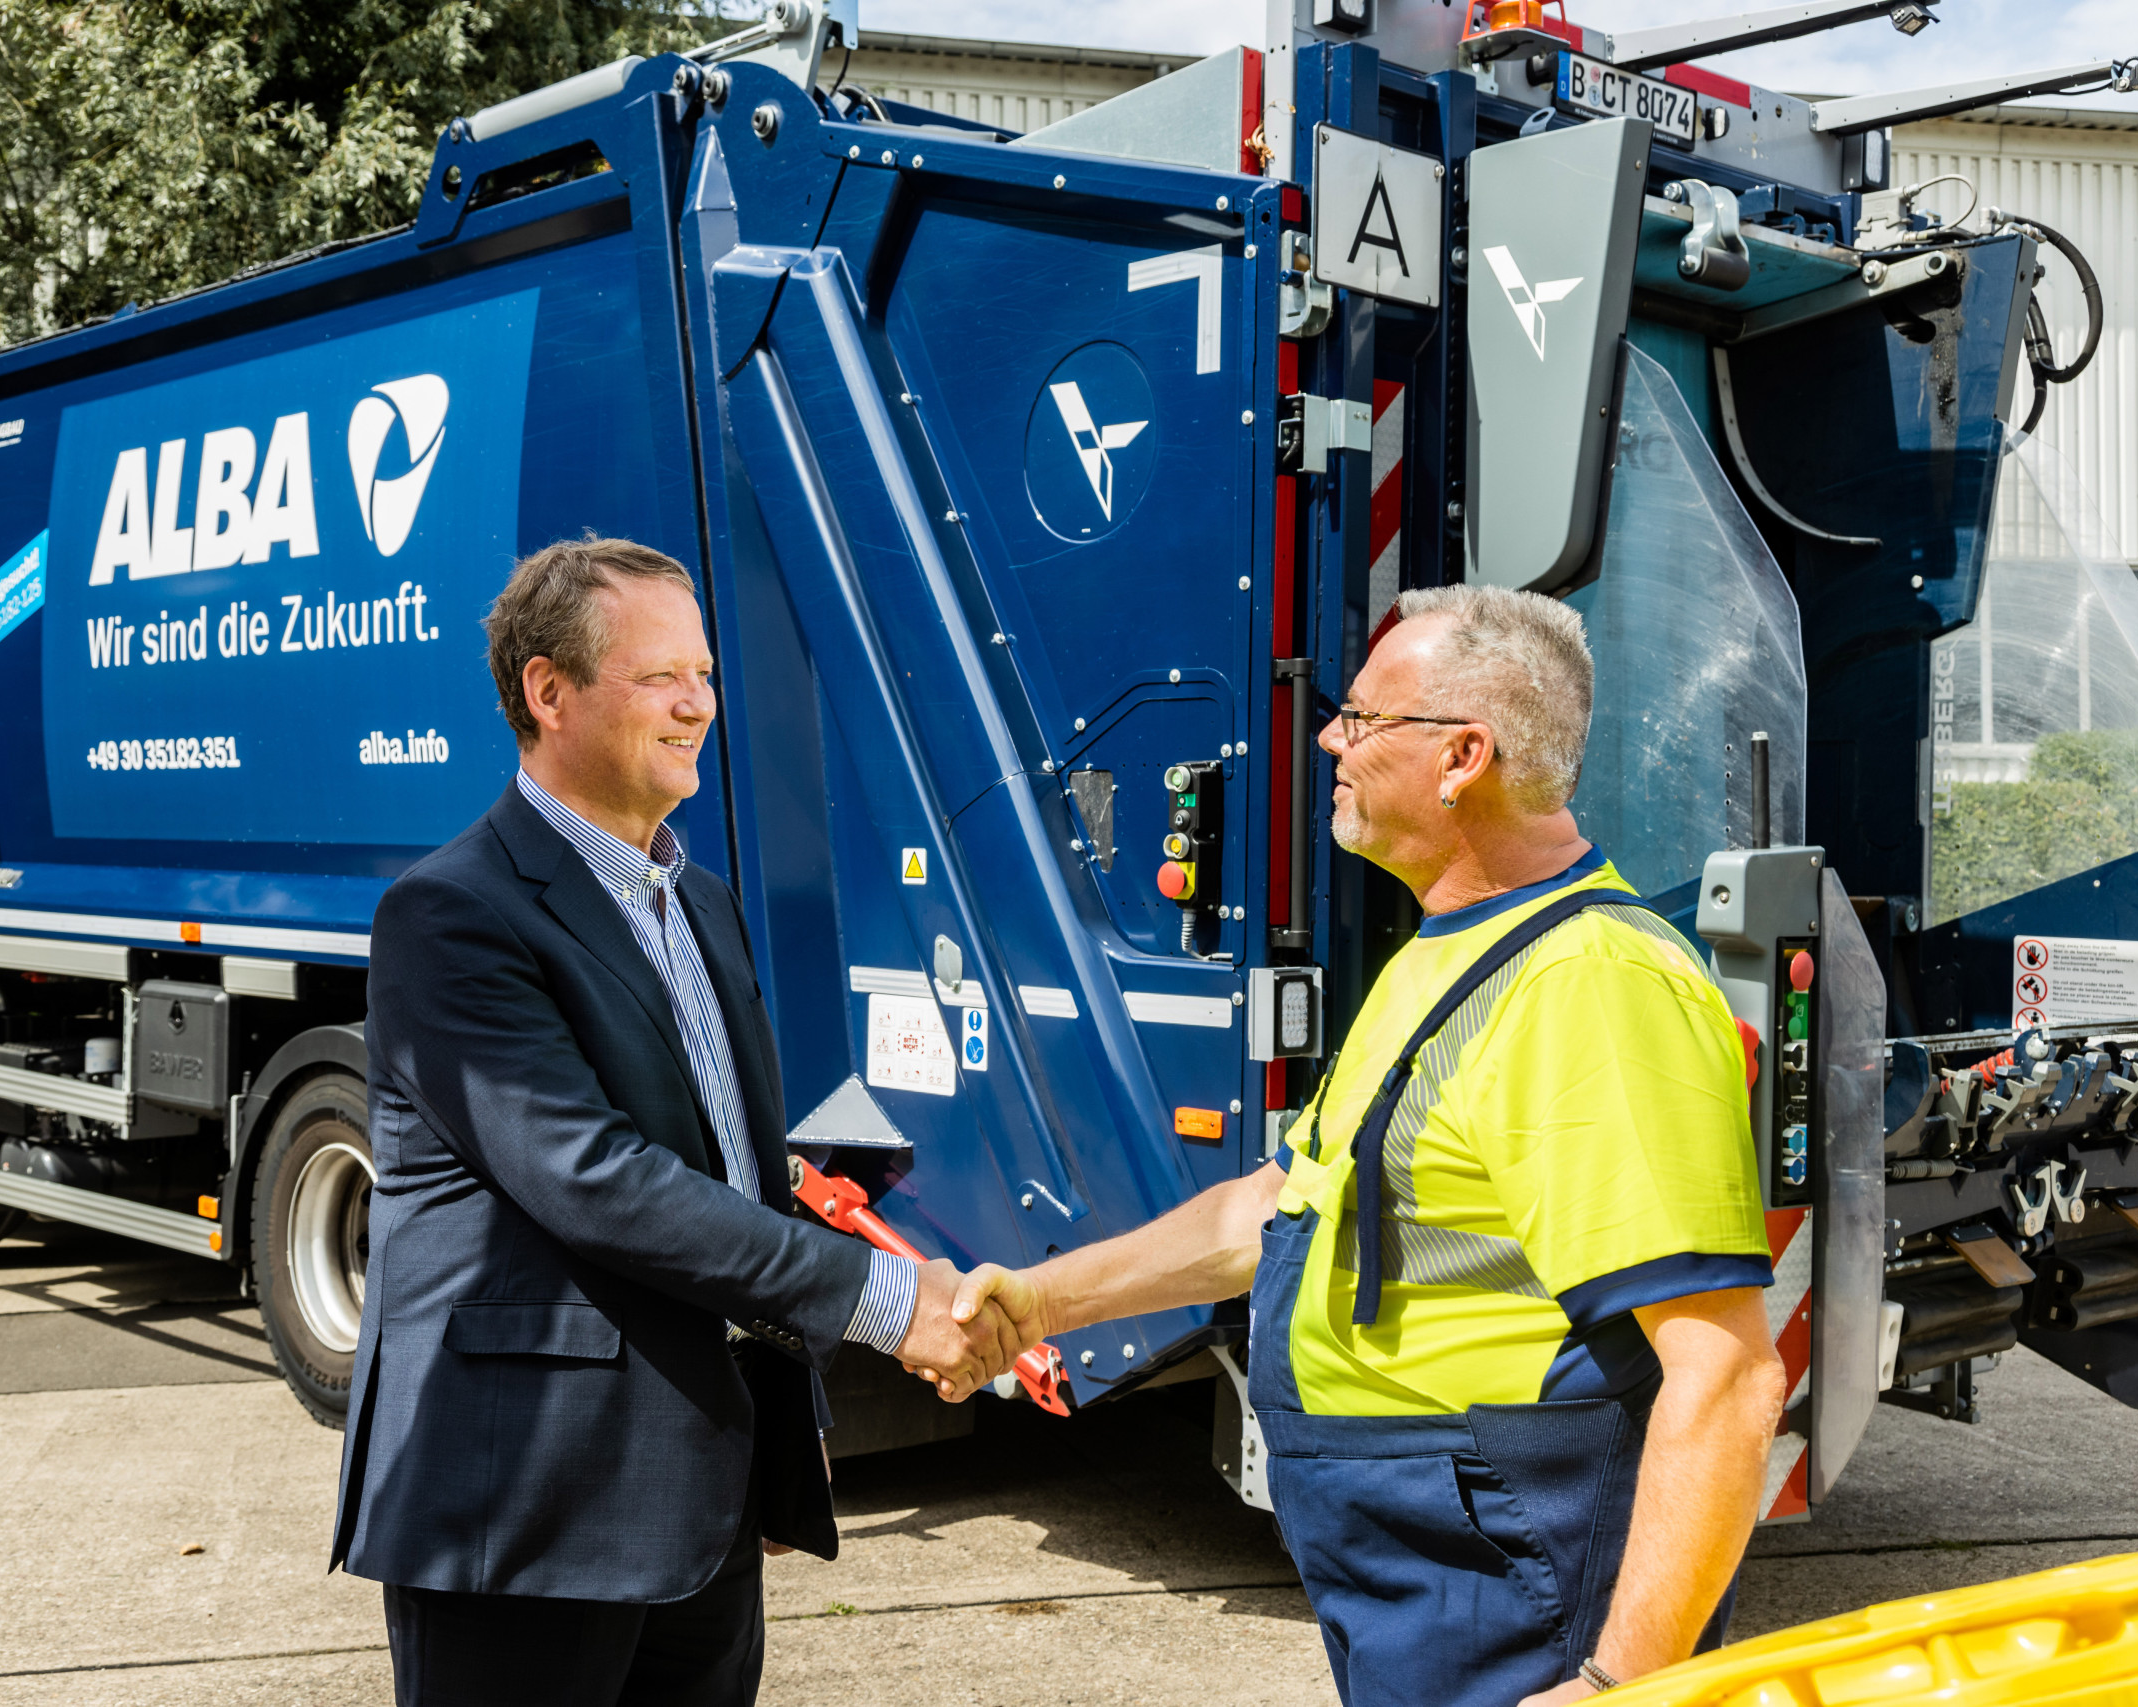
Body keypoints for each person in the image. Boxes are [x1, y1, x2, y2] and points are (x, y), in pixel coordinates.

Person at [957, 583, 1791, 1706]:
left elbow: (1728, 1373)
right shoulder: (1449, 950)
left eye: (1362, 717)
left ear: (1462, 756)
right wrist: (1034, 1305)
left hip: (1516, 1567)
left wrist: (1617, 1681)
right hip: (1427, 1553)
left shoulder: (1591, 985)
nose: (1328, 739)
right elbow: (1282, 1210)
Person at [332, 535, 1021, 1707]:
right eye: (661, 677)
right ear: (548, 692)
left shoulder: (697, 902)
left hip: (695, 1494)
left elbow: (733, 1174)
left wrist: (767, 1434)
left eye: (702, 673)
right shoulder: (450, 915)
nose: (699, 703)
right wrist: (890, 1302)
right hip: (527, 1508)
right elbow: (595, 1178)